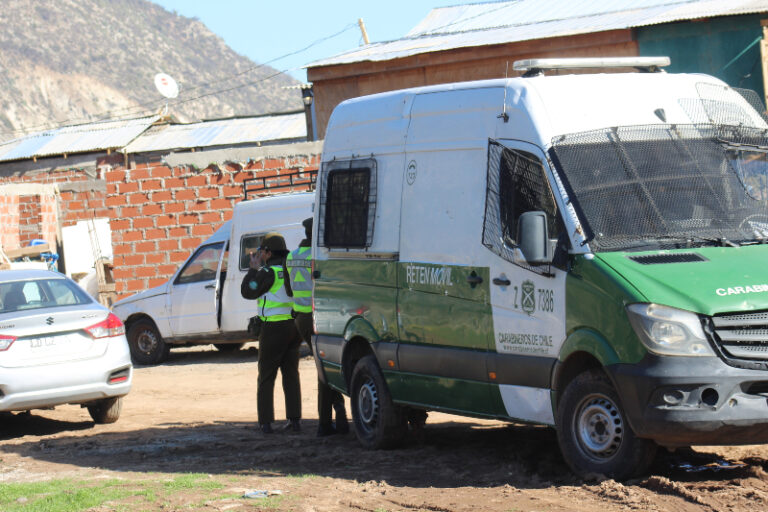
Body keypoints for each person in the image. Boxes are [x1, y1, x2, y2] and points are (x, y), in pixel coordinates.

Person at [286, 217, 348, 437]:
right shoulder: (319, 256)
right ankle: (327, 421)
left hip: (301, 318)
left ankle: (337, 414)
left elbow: (289, 290)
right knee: (325, 370)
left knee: (325, 367)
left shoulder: (291, 256)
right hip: (318, 317)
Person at [241, 232, 302, 434]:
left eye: (261, 251)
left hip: (274, 328)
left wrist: (252, 271)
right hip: (294, 326)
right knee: (291, 374)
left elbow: (248, 291)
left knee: (266, 376)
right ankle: (294, 420)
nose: (260, 255)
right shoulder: (291, 268)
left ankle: (266, 422)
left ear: (268, 252)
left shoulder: (269, 272)